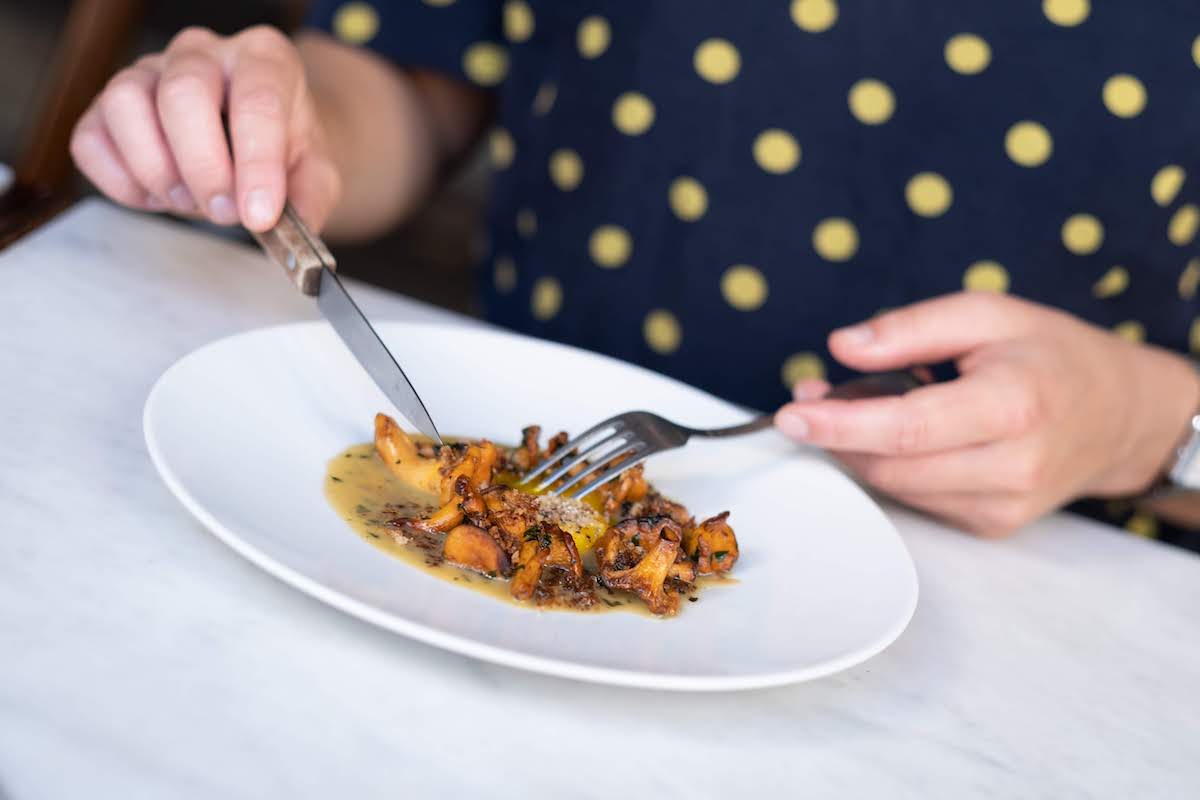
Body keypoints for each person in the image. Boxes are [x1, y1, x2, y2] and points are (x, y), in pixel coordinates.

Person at [70, 0, 1200, 549]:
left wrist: (1149, 422)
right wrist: (273, 123)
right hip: (524, 461)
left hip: (1055, 593)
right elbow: (411, 82)